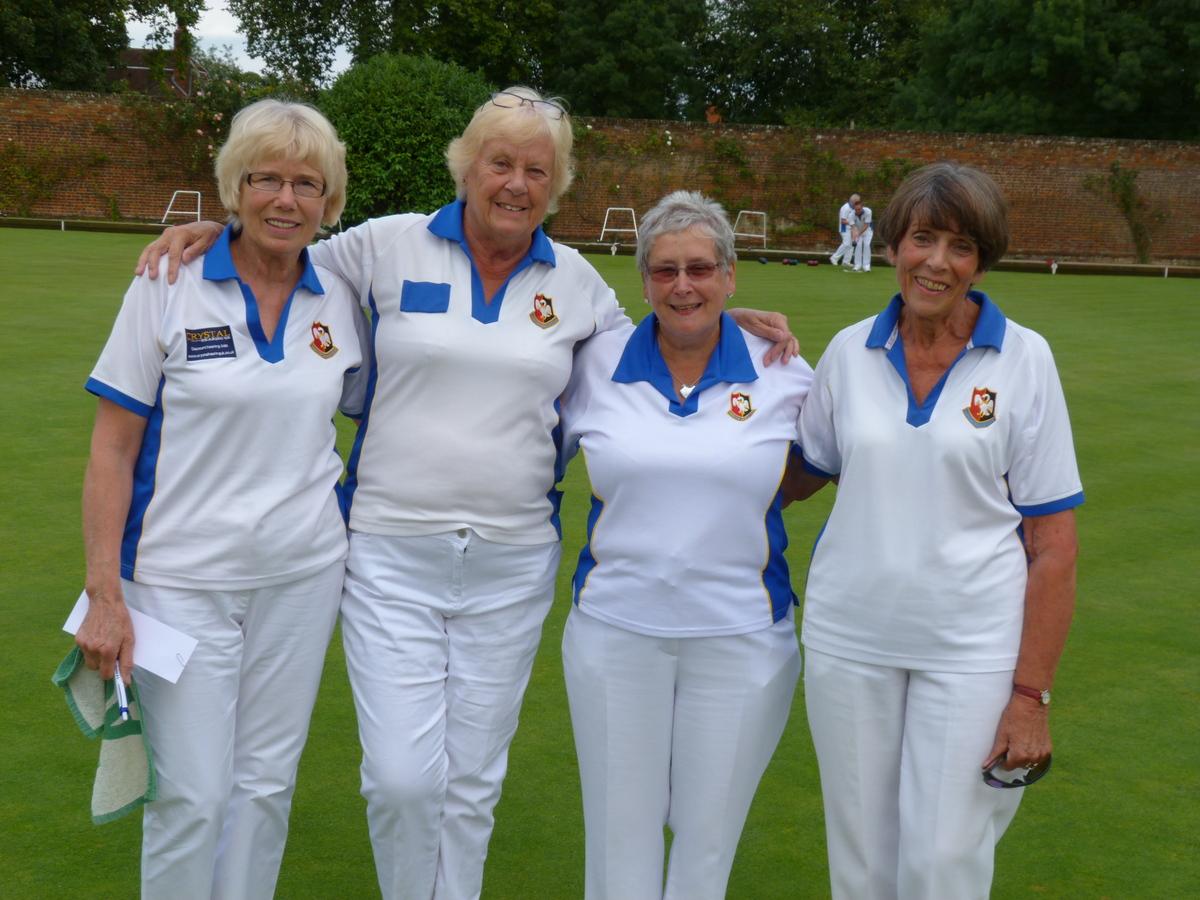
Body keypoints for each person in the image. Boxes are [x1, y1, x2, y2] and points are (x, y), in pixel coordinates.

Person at [135, 87, 798, 900]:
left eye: (536, 170)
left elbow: (664, 337)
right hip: (387, 551)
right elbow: (279, 247)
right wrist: (213, 231)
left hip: (511, 561)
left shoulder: (581, 285)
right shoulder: (383, 247)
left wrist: (734, 317)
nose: (515, 183)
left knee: (472, 785)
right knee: (404, 781)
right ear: (467, 166)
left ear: (555, 187)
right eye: (500, 163)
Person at [76, 99, 369, 899]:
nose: (285, 198)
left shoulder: (340, 296)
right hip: (178, 582)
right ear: (233, 189)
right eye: (265, 178)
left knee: (265, 788)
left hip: (303, 578)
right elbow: (112, 446)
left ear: (329, 201)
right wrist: (106, 593)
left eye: (306, 183)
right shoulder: (168, 281)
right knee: (193, 795)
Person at [789, 162, 1083, 900]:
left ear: (982, 260)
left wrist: (1031, 697)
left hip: (971, 648)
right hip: (849, 638)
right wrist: (718, 351)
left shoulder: (1025, 360)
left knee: (944, 862)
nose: (937, 263)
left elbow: (1053, 547)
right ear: (893, 244)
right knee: (860, 861)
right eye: (923, 239)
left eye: (960, 246)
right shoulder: (849, 353)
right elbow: (796, 477)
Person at [559, 191, 813, 900]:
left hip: (741, 637)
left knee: (706, 850)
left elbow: (817, 465)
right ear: (642, 281)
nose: (682, 285)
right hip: (615, 633)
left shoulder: (785, 369)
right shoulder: (595, 359)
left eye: (701, 269)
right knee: (619, 845)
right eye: (665, 271)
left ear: (730, 276)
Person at [830, 192, 860, 267]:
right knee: (846, 243)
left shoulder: (854, 208)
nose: (858, 203)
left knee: (851, 244)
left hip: (851, 229)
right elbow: (842, 221)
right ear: (852, 201)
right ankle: (834, 257)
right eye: (857, 202)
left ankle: (846, 261)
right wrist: (852, 223)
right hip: (845, 228)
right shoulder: (846, 208)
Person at [849, 196, 873, 272]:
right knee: (858, 245)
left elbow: (866, 225)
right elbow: (852, 228)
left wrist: (859, 234)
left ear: (862, 207)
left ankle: (866, 266)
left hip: (867, 230)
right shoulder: (851, 215)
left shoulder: (868, 211)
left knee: (866, 245)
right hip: (857, 230)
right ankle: (857, 265)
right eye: (856, 210)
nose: (858, 211)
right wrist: (854, 238)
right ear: (854, 209)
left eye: (859, 209)